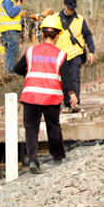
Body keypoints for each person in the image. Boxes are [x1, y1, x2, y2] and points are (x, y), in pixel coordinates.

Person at [13, 15, 76, 174]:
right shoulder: (60, 55)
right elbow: (66, 77)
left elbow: (17, 69)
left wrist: (32, 72)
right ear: (57, 35)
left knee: (31, 129)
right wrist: (72, 94)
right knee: (53, 127)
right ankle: (58, 157)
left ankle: (33, 161)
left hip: (31, 96)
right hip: (51, 97)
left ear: (42, 34)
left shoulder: (30, 51)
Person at [55, 0, 95, 113]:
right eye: (69, 8)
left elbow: (87, 35)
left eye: (73, 8)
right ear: (64, 6)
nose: (71, 10)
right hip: (61, 54)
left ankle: (74, 103)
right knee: (63, 80)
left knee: (75, 79)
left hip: (75, 54)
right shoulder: (56, 19)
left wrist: (91, 51)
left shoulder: (80, 19)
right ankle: (67, 103)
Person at [0, 0, 24, 73]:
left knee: (9, 50)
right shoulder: (7, 0)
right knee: (13, 48)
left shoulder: (8, 0)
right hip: (9, 29)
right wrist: (18, 6)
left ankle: (6, 69)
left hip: (8, 29)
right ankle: (8, 70)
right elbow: (12, 13)